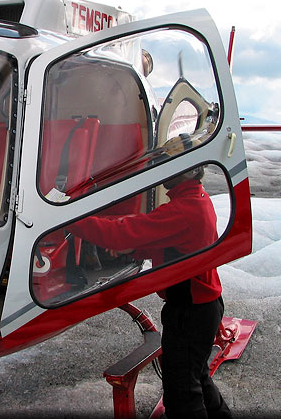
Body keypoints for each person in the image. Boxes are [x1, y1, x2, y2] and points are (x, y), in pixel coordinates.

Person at [66, 134, 231, 419]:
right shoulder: (197, 200)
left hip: (190, 313)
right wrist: (137, 250)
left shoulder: (184, 209)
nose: (162, 170)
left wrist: (66, 217)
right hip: (202, 308)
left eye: (168, 164)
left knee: (182, 395)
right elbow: (173, 242)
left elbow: (120, 232)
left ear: (183, 170)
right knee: (196, 378)